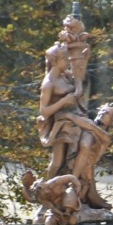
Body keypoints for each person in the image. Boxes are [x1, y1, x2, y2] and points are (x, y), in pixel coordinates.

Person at [37, 42, 88, 179]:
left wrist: (84, 60)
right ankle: (49, 186)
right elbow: (44, 111)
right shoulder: (49, 83)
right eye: (64, 59)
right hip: (60, 125)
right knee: (58, 161)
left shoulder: (65, 75)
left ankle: (67, 183)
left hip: (73, 121)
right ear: (55, 61)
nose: (67, 61)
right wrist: (63, 101)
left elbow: (78, 79)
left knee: (71, 158)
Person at [69, 103, 113, 209]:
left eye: (107, 113)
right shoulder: (87, 124)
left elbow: (91, 128)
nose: (102, 113)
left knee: (85, 190)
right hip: (75, 160)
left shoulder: (106, 136)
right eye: (102, 110)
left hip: (87, 166)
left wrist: (69, 116)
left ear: (112, 121)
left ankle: (78, 193)